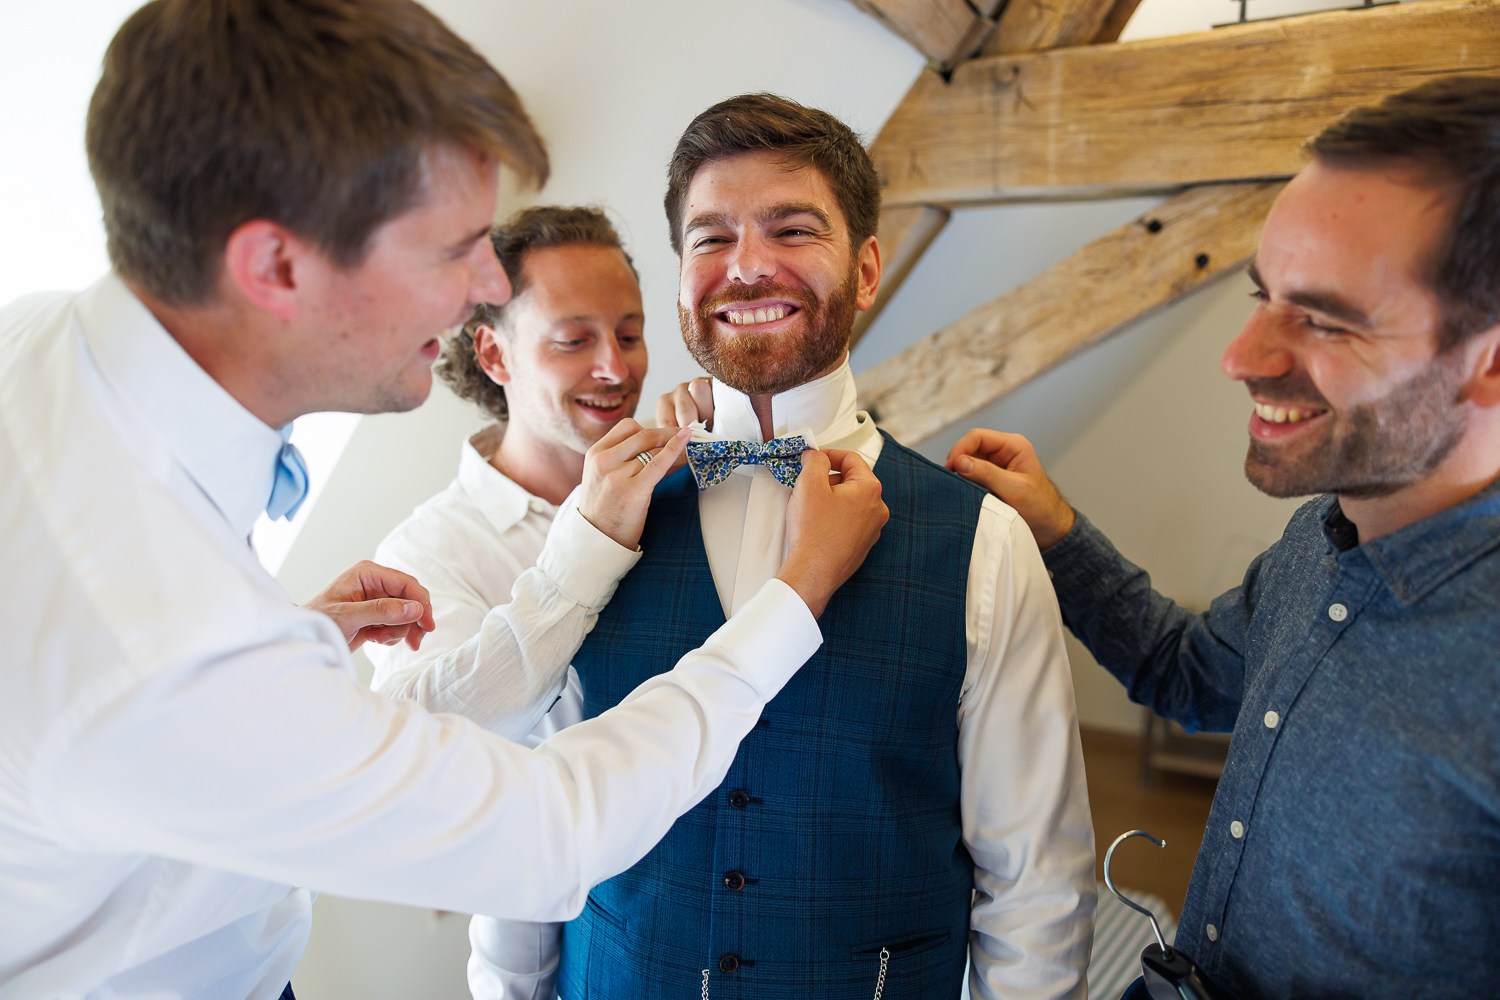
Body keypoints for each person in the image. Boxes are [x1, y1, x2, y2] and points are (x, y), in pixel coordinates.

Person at [0, 3, 889, 998]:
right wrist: (794, 597)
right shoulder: (172, 652)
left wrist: (280, 644)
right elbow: (550, 836)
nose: (480, 292)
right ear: (276, 265)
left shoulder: (34, 343)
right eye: (452, 249)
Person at [499, 94, 1096, 1000]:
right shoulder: (597, 519)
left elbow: (1037, 888)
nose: (747, 267)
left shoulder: (985, 546)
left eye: (791, 229)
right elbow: (527, 819)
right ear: (678, 279)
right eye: (710, 238)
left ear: (864, 270)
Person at [947, 75, 1500, 999]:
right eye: (1262, 295)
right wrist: (1057, 528)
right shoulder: (1319, 540)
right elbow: (1187, 672)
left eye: (1323, 318)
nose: (1240, 357)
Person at [363, 205, 663, 999]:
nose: (615, 367)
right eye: (574, 340)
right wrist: (590, 545)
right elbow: (438, 755)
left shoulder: (688, 491)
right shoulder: (427, 557)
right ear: (493, 351)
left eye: (629, 334)